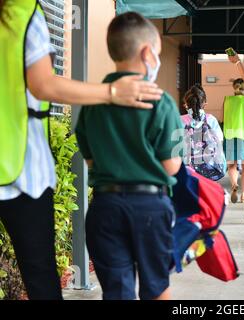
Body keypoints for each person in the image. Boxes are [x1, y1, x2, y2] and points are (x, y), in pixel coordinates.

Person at [0, 0, 162, 300]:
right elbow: (43, 84)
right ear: (148, 53)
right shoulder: (23, 12)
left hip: (102, 207)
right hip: (23, 170)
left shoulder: (91, 115)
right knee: (41, 279)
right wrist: (111, 93)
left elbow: (89, 154)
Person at [75, 12, 183, 300]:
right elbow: (171, 166)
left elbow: (90, 160)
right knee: (156, 287)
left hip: (105, 207)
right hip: (150, 207)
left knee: (117, 291)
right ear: (148, 53)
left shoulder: (93, 102)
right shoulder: (161, 102)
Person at [181, 84, 226, 181]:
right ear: (204, 104)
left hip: (187, 169)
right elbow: (219, 139)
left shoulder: (180, 120)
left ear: (186, 104)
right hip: (210, 166)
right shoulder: (211, 119)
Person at [223, 79, 244, 203]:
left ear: (234, 88)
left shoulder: (227, 100)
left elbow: (222, 117)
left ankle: (234, 186)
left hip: (230, 134)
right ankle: (243, 195)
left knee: (232, 164)